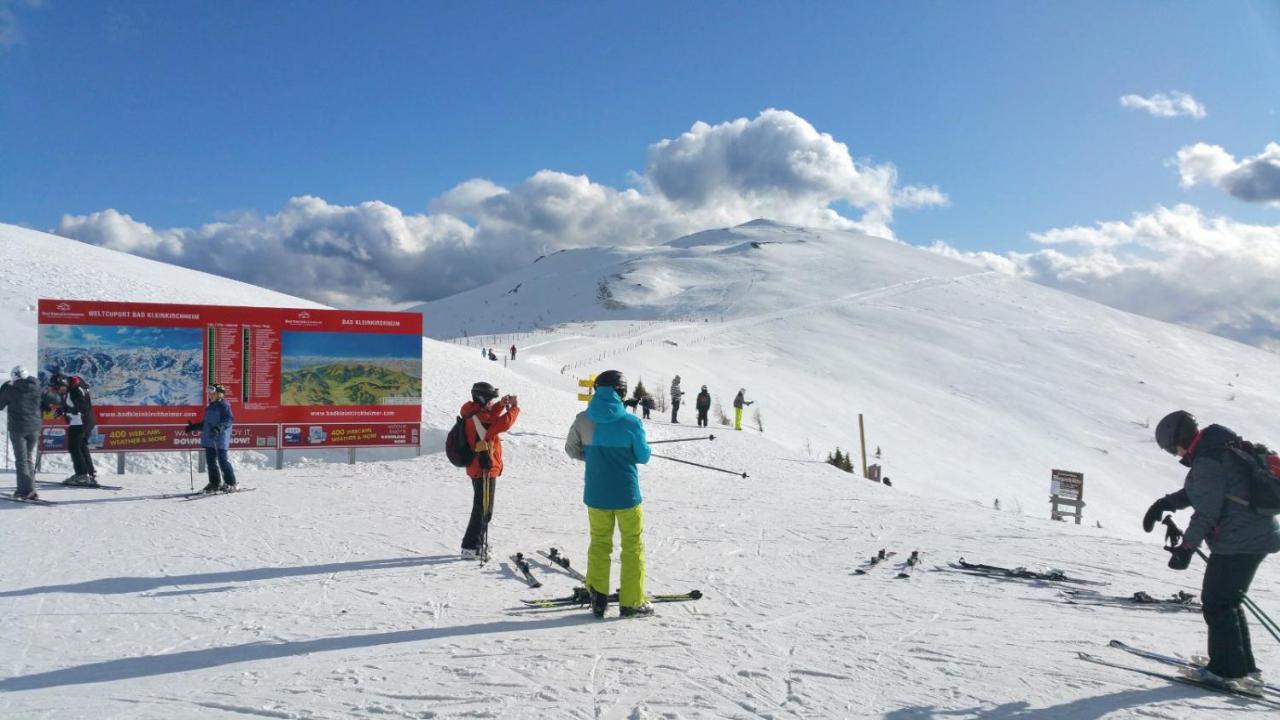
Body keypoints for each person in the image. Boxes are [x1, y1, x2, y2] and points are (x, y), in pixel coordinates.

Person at [1143, 410, 1280, 691]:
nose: (1174, 453)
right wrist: (1165, 503)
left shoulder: (1208, 460)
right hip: (1252, 536)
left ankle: (1226, 671)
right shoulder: (1217, 449)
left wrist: (1186, 549)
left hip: (1240, 541)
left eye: (1171, 448)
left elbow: (1206, 512)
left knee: (1218, 603)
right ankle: (1239, 665)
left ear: (1177, 440)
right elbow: (1206, 493)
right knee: (1227, 601)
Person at [565, 370, 653, 619]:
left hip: (596, 494)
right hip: (627, 495)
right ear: (621, 391)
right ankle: (632, 602)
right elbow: (643, 456)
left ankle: (598, 599)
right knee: (632, 547)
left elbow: (572, 450)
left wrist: (592, 457)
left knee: (600, 544)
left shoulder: (582, 419)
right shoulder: (631, 422)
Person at [459, 381, 519, 559]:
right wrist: (514, 408)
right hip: (483, 468)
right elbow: (502, 424)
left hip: (479, 467)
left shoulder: (474, 412)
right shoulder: (481, 418)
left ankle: (474, 544)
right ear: (482, 398)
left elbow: (490, 416)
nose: (493, 403)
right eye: (491, 400)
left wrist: (501, 404)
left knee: (482, 507)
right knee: (484, 509)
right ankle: (471, 547)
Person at [185, 383, 238, 493]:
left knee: (222, 461)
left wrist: (218, 428)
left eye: (212, 392)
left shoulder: (224, 405)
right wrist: (194, 427)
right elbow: (206, 424)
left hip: (219, 438)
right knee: (211, 463)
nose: (209, 394)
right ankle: (214, 483)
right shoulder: (210, 407)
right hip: (209, 439)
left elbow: (228, 420)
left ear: (219, 394)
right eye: (209, 392)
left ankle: (231, 483)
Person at [0, 366, 42, 500]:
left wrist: (3, 389)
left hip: (18, 428)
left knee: (21, 460)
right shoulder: (37, 387)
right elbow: (52, 398)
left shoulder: (11, 390)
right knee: (27, 458)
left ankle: (26, 491)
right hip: (34, 427)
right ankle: (27, 487)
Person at [50, 373, 97, 485]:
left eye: (59, 388)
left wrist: (64, 409)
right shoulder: (75, 386)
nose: (59, 391)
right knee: (81, 446)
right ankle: (89, 473)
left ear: (65, 383)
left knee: (74, 447)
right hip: (85, 420)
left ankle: (81, 475)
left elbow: (80, 406)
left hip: (80, 422)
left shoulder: (76, 390)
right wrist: (63, 410)